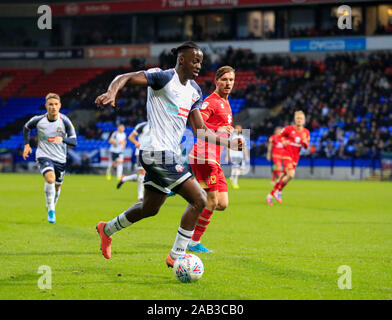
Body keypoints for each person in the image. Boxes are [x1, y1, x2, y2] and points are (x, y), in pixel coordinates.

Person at [94, 41, 243, 268]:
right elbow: (124, 77)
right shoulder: (162, 77)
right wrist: (111, 91)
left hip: (169, 155)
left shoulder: (194, 91)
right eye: (195, 60)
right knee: (200, 200)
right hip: (156, 152)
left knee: (149, 208)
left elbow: (201, 131)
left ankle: (107, 229)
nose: (199, 65)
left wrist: (228, 143)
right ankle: (177, 256)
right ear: (182, 59)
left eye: (201, 61)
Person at [187, 65, 235, 253]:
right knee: (211, 202)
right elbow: (199, 127)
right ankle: (192, 242)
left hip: (214, 157)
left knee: (222, 203)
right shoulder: (211, 102)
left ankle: (188, 190)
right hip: (204, 156)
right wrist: (218, 130)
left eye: (231, 80)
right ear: (216, 81)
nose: (228, 83)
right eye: (224, 80)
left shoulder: (226, 103)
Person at [22, 93, 77, 223]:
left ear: (60, 106)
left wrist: (62, 139)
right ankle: (52, 211)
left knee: (57, 187)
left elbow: (74, 142)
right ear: (46, 106)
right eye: (50, 104)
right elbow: (26, 128)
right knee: (50, 178)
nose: (53, 107)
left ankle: (51, 204)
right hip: (43, 155)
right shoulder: (38, 120)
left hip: (60, 159)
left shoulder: (65, 121)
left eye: (56, 104)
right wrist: (26, 144)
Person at [266, 111, 309, 205]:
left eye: (301, 118)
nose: (299, 120)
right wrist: (284, 141)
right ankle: (278, 191)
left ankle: (271, 194)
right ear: (295, 119)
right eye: (297, 118)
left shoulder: (306, 132)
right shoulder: (288, 129)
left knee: (283, 176)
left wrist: (305, 143)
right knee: (291, 174)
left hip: (295, 157)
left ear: (304, 120)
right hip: (286, 154)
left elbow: (306, 146)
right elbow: (280, 136)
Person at [117, 121, 150, 202]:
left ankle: (125, 178)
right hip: (141, 152)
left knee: (147, 175)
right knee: (142, 173)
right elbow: (131, 137)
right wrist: (136, 142)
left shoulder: (159, 126)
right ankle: (140, 196)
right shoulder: (142, 125)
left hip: (153, 152)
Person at [228, 124, 249, 189]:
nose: (239, 130)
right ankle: (235, 182)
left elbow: (244, 147)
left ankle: (232, 177)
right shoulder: (231, 137)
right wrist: (227, 155)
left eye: (240, 128)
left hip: (240, 154)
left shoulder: (242, 137)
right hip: (233, 154)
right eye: (238, 128)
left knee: (241, 168)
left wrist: (246, 155)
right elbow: (228, 146)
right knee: (236, 168)